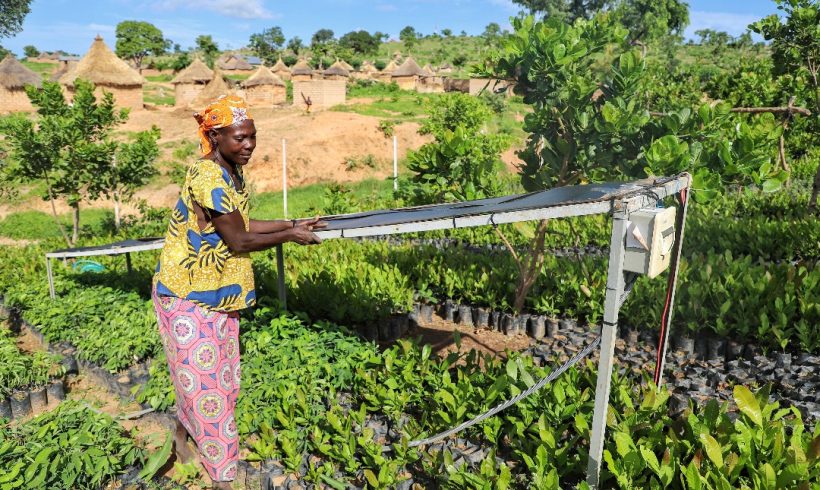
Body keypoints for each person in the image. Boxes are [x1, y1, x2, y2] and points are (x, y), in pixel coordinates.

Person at [151, 95, 324, 488]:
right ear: (215, 137)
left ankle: (183, 443)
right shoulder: (209, 175)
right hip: (188, 295)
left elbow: (242, 222)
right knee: (209, 388)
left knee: (218, 380)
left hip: (217, 294)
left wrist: (291, 222)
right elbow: (239, 241)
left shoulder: (229, 171)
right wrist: (292, 236)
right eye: (239, 138)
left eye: (252, 137)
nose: (248, 145)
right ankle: (224, 478)